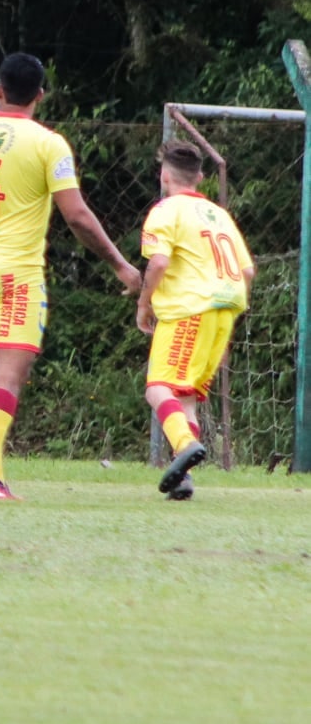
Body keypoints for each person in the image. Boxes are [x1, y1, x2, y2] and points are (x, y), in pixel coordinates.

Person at [0, 52, 140, 500]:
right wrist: (120, 265)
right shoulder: (49, 144)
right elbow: (77, 216)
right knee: (10, 374)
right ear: (40, 95)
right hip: (16, 270)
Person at [136, 141, 252, 502]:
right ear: (200, 177)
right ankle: (183, 478)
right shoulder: (218, 214)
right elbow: (247, 270)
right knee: (185, 396)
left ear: (164, 176)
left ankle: (185, 444)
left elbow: (157, 263)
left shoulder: (165, 211)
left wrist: (144, 304)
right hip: (226, 307)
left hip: (190, 307)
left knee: (158, 387)